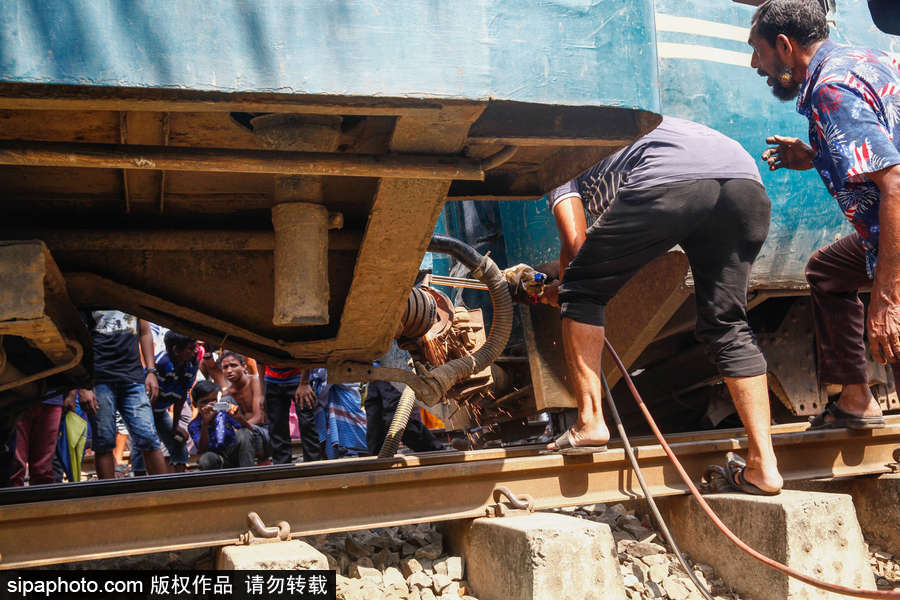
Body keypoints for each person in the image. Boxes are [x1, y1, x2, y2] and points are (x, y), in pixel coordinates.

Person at [541, 116, 783, 495]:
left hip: (672, 181)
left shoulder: (559, 157)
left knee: (582, 293)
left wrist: (566, 289)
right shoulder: (630, 123)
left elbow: (574, 241)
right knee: (727, 323)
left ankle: (589, 422)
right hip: (745, 182)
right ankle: (764, 466)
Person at [749, 0, 897, 429]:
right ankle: (855, 399)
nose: (756, 65)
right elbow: (886, 144)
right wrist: (820, 155)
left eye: (759, 52)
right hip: (886, 221)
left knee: (895, 332)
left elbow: (895, 183)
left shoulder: (830, 89)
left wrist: (888, 294)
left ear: (784, 45)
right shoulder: (867, 58)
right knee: (828, 272)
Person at [79, 311, 168, 479]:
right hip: (99, 379)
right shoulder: (89, 300)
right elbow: (78, 341)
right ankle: (109, 498)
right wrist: (83, 385)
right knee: (104, 442)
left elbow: (145, 332)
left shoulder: (129, 299)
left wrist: (150, 371)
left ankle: (165, 494)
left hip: (132, 378)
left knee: (148, 438)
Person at [131, 331, 200, 474]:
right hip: (143, 409)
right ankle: (139, 480)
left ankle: (179, 481)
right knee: (143, 441)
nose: (195, 351)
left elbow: (181, 395)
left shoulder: (192, 364)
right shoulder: (161, 364)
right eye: (191, 348)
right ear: (176, 350)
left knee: (177, 441)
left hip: (160, 410)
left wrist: (176, 426)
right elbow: (146, 396)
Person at [10, 389, 72, 486]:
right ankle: (12, 499)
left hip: (52, 396)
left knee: (43, 469)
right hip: (17, 396)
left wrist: (72, 392)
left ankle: (41, 498)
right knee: (15, 466)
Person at [188, 380, 255, 470]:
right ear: (195, 404)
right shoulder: (194, 425)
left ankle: (248, 474)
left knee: (244, 433)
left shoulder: (224, 412)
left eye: (213, 400)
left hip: (232, 452)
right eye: (205, 402)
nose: (210, 405)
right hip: (214, 458)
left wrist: (238, 417)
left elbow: (250, 432)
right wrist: (205, 424)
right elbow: (202, 450)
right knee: (205, 459)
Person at [264, 366, 321, 464]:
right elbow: (260, 360)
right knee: (277, 426)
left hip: (299, 377)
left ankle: (313, 465)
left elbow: (306, 355)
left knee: (306, 423)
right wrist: (261, 393)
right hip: (272, 379)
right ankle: (282, 468)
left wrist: (304, 382)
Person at [220, 351, 270, 460]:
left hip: (263, 432)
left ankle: (262, 459)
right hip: (242, 435)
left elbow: (259, 418)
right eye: (225, 367)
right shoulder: (226, 394)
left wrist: (238, 430)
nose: (229, 370)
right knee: (224, 401)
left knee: (245, 433)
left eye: (233, 365)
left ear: (243, 366)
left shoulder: (255, 381)